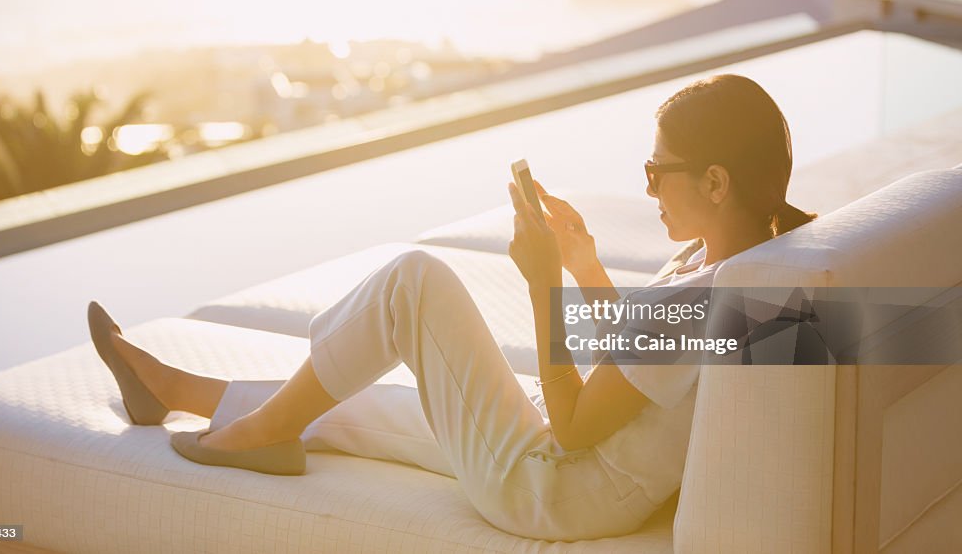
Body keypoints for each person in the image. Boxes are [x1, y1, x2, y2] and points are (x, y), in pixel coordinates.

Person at [88, 73, 817, 541]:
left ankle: (260, 431)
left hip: (557, 489)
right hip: (581, 464)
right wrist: (585, 261)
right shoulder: (738, 265)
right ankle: (178, 391)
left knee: (414, 282)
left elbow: (568, 430)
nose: (650, 187)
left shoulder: (710, 301)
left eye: (659, 170)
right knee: (370, 401)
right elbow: (639, 358)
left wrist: (543, 283)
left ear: (716, 182)